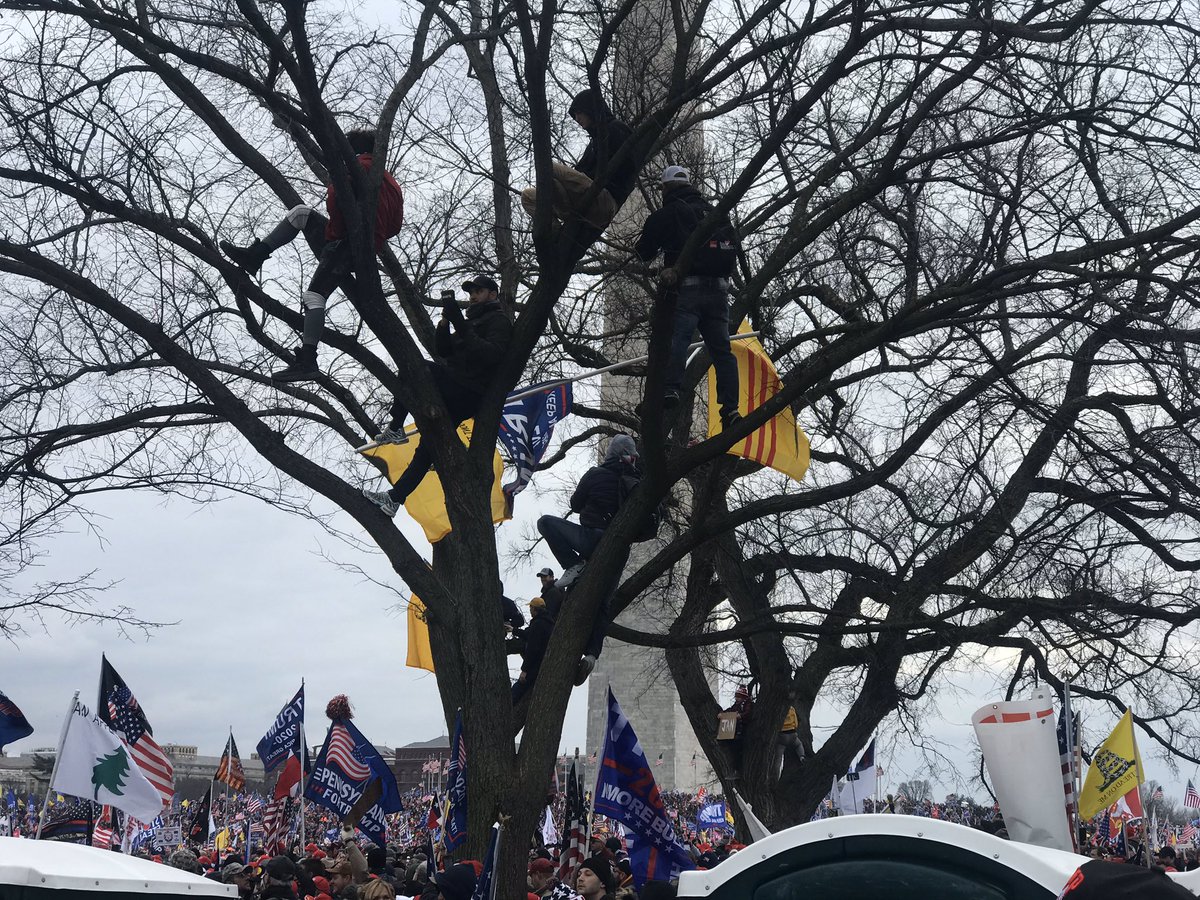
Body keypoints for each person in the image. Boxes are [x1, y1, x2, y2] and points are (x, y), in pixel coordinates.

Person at [220, 129, 405, 383]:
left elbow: (336, 197)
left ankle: (308, 359)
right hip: (364, 244)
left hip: (348, 243)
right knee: (301, 213)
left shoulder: (355, 169)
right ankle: (255, 256)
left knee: (314, 296)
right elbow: (395, 226)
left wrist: (336, 233)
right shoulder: (391, 183)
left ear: (351, 151)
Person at [363, 276, 513, 516]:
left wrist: (459, 323)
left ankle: (396, 426)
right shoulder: (472, 322)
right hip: (457, 388)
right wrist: (445, 323)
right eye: (471, 292)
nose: (473, 296)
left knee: (415, 367)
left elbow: (490, 355)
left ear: (493, 294)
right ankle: (394, 499)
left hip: (469, 391)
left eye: (479, 291)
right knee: (428, 447)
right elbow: (443, 350)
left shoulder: (499, 321)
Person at [634, 165, 740, 426]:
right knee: (722, 351)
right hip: (719, 291)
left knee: (677, 340)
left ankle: (671, 389)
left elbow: (643, 252)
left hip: (687, 289)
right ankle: (730, 409)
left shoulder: (670, 212)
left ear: (666, 187)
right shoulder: (716, 213)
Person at [536, 434, 639, 682]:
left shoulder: (596, 474)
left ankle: (573, 565)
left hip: (591, 539)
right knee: (603, 604)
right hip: (618, 551)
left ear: (610, 453)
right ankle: (591, 656)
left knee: (545, 523)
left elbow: (575, 503)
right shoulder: (636, 481)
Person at [521, 89, 636, 234]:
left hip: (604, 199)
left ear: (590, 108)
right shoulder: (593, 143)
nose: (576, 118)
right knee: (528, 196)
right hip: (582, 203)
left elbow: (628, 166)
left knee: (548, 166)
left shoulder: (616, 128)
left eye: (579, 113)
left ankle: (568, 216)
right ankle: (555, 232)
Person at [512, 596, 555, 703]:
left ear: (535, 609)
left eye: (530, 608)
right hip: (543, 662)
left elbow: (532, 648)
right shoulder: (547, 622)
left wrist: (524, 670)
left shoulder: (538, 624)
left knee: (517, 690)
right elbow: (528, 634)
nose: (530, 610)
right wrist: (513, 630)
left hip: (535, 664)